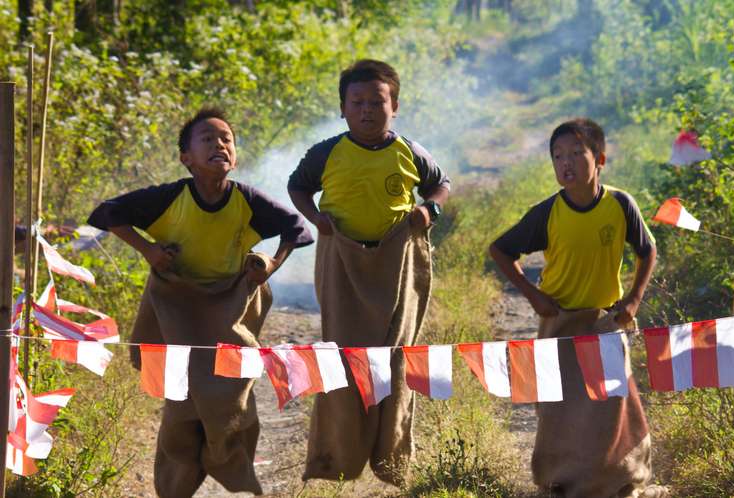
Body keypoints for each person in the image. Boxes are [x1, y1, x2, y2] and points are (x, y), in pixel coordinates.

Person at [88, 107, 313, 496]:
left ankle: (233, 473)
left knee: (235, 404)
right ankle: (177, 486)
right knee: (182, 409)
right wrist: (148, 251)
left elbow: (297, 229)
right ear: (186, 158)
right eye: (207, 139)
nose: (219, 144)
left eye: (226, 138)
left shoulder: (247, 200)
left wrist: (271, 265)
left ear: (235, 155)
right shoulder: (169, 197)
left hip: (228, 317)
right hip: (177, 314)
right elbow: (106, 214)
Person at [287, 59, 450, 485]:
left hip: (398, 265)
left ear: (394, 105)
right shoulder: (326, 152)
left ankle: (392, 460)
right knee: (343, 357)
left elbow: (440, 184)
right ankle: (338, 459)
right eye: (356, 102)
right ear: (342, 108)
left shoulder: (409, 152)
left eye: (377, 101)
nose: (366, 110)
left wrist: (427, 208)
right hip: (342, 262)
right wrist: (316, 218)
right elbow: (297, 186)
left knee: (395, 359)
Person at [490, 118, 660, 498]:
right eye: (557, 156)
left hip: (605, 321)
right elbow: (500, 250)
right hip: (559, 322)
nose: (565, 163)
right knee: (558, 408)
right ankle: (558, 481)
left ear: (599, 158)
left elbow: (647, 250)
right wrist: (531, 294)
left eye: (576, 154)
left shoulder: (619, 204)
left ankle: (620, 478)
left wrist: (633, 299)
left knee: (612, 406)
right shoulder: (547, 212)